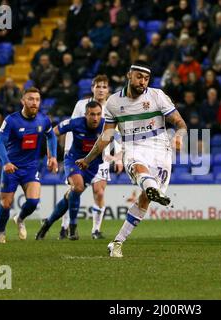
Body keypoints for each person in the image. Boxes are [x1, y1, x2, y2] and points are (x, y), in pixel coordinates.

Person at [77, 60, 187, 258]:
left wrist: (179, 135)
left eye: (146, 79)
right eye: (139, 77)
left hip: (160, 148)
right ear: (129, 75)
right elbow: (105, 137)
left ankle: (117, 242)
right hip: (133, 146)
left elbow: (180, 123)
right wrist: (88, 158)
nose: (142, 82)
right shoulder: (113, 103)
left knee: (145, 200)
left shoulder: (157, 96)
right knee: (138, 168)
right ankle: (151, 187)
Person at [58, 75, 123, 240]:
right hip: (79, 156)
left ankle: (95, 230)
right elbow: (72, 128)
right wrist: (67, 151)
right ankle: (65, 227)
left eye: (104, 87)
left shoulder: (113, 107)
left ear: (108, 90)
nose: (101, 90)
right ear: (92, 88)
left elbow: (118, 132)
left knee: (99, 192)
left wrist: (119, 157)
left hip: (101, 156)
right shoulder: (82, 105)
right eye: (98, 86)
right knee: (75, 191)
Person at [0, 87, 58, 244]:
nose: (34, 102)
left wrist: (53, 157)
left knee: (33, 202)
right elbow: (0, 142)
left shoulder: (43, 120)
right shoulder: (11, 120)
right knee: (6, 204)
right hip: (12, 168)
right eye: (30, 99)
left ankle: (20, 219)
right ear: (23, 101)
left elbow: (51, 136)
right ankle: (1, 232)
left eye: (37, 99)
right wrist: (6, 162)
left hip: (31, 167)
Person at [35, 100, 105, 240]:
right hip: (73, 160)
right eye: (92, 114)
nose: (95, 118)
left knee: (71, 196)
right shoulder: (75, 123)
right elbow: (52, 133)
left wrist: (118, 156)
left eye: (98, 114)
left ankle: (47, 224)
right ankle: (72, 228)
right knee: (77, 187)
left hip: (92, 165)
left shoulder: (106, 125)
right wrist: (52, 155)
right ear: (85, 114)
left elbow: (116, 139)